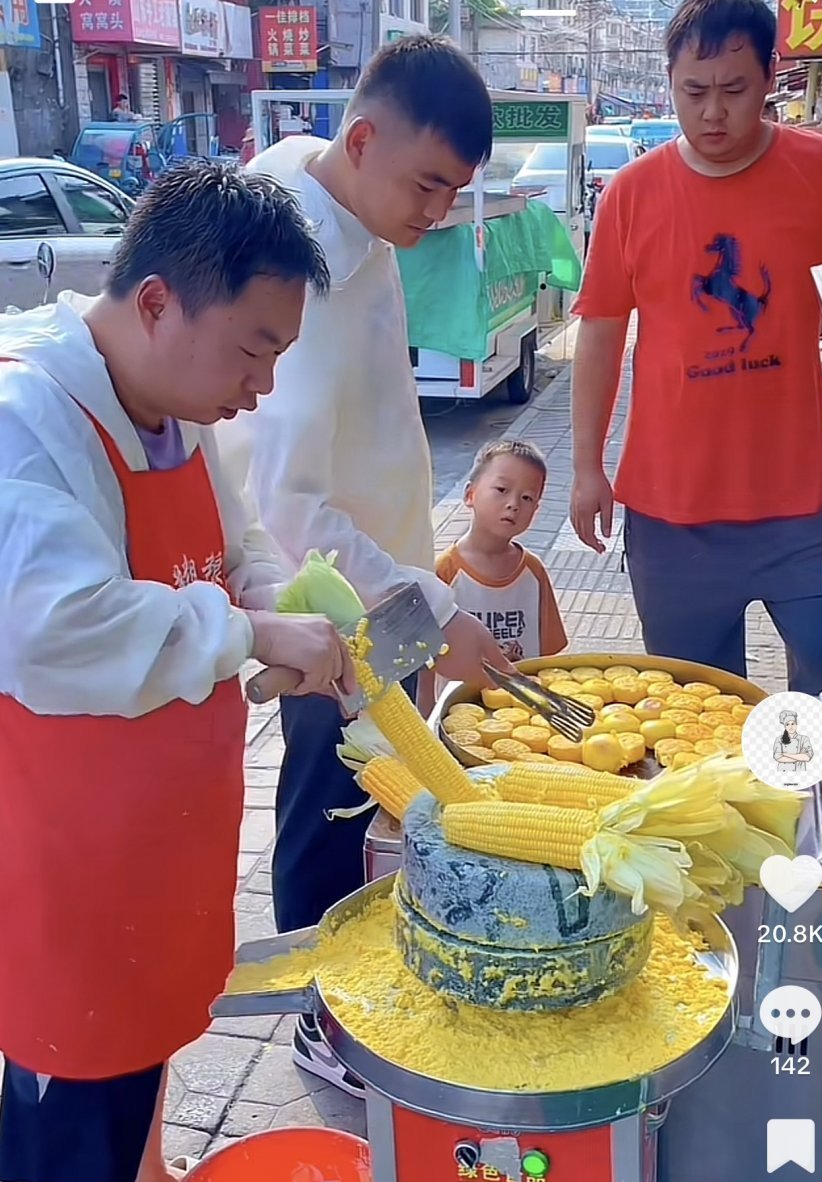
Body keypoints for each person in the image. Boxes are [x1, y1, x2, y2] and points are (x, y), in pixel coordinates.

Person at [0, 163, 352, 1182]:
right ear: (158, 303)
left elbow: (238, 551)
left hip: (164, 818)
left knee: (152, 1014)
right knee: (54, 1111)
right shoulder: (29, 420)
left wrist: (280, 605)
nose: (260, 391)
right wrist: (252, 636)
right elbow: (59, 624)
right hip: (67, 840)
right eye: (253, 351)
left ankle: (143, 1181)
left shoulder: (178, 409)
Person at [215, 36, 512, 1096]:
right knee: (328, 795)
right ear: (362, 138)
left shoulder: (349, 205)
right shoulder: (298, 264)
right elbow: (289, 502)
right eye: (426, 182)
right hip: (335, 592)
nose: (434, 210)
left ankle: (368, 968)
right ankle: (314, 1012)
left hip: (386, 570)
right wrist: (431, 604)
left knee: (384, 782)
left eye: (453, 190)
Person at [570, 0, 822, 698]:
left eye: (735, 90)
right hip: (672, 516)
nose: (713, 112)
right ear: (669, 81)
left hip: (806, 506)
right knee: (700, 714)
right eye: (694, 92)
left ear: (771, 77)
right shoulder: (631, 194)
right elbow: (601, 332)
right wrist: (586, 466)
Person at [420, 440, 568, 714]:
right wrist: (428, 719)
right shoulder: (444, 572)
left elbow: (548, 659)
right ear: (470, 495)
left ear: (536, 511)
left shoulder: (533, 572)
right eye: (501, 490)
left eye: (527, 498)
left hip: (523, 714)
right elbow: (426, 665)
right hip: (459, 714)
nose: (513, 504)